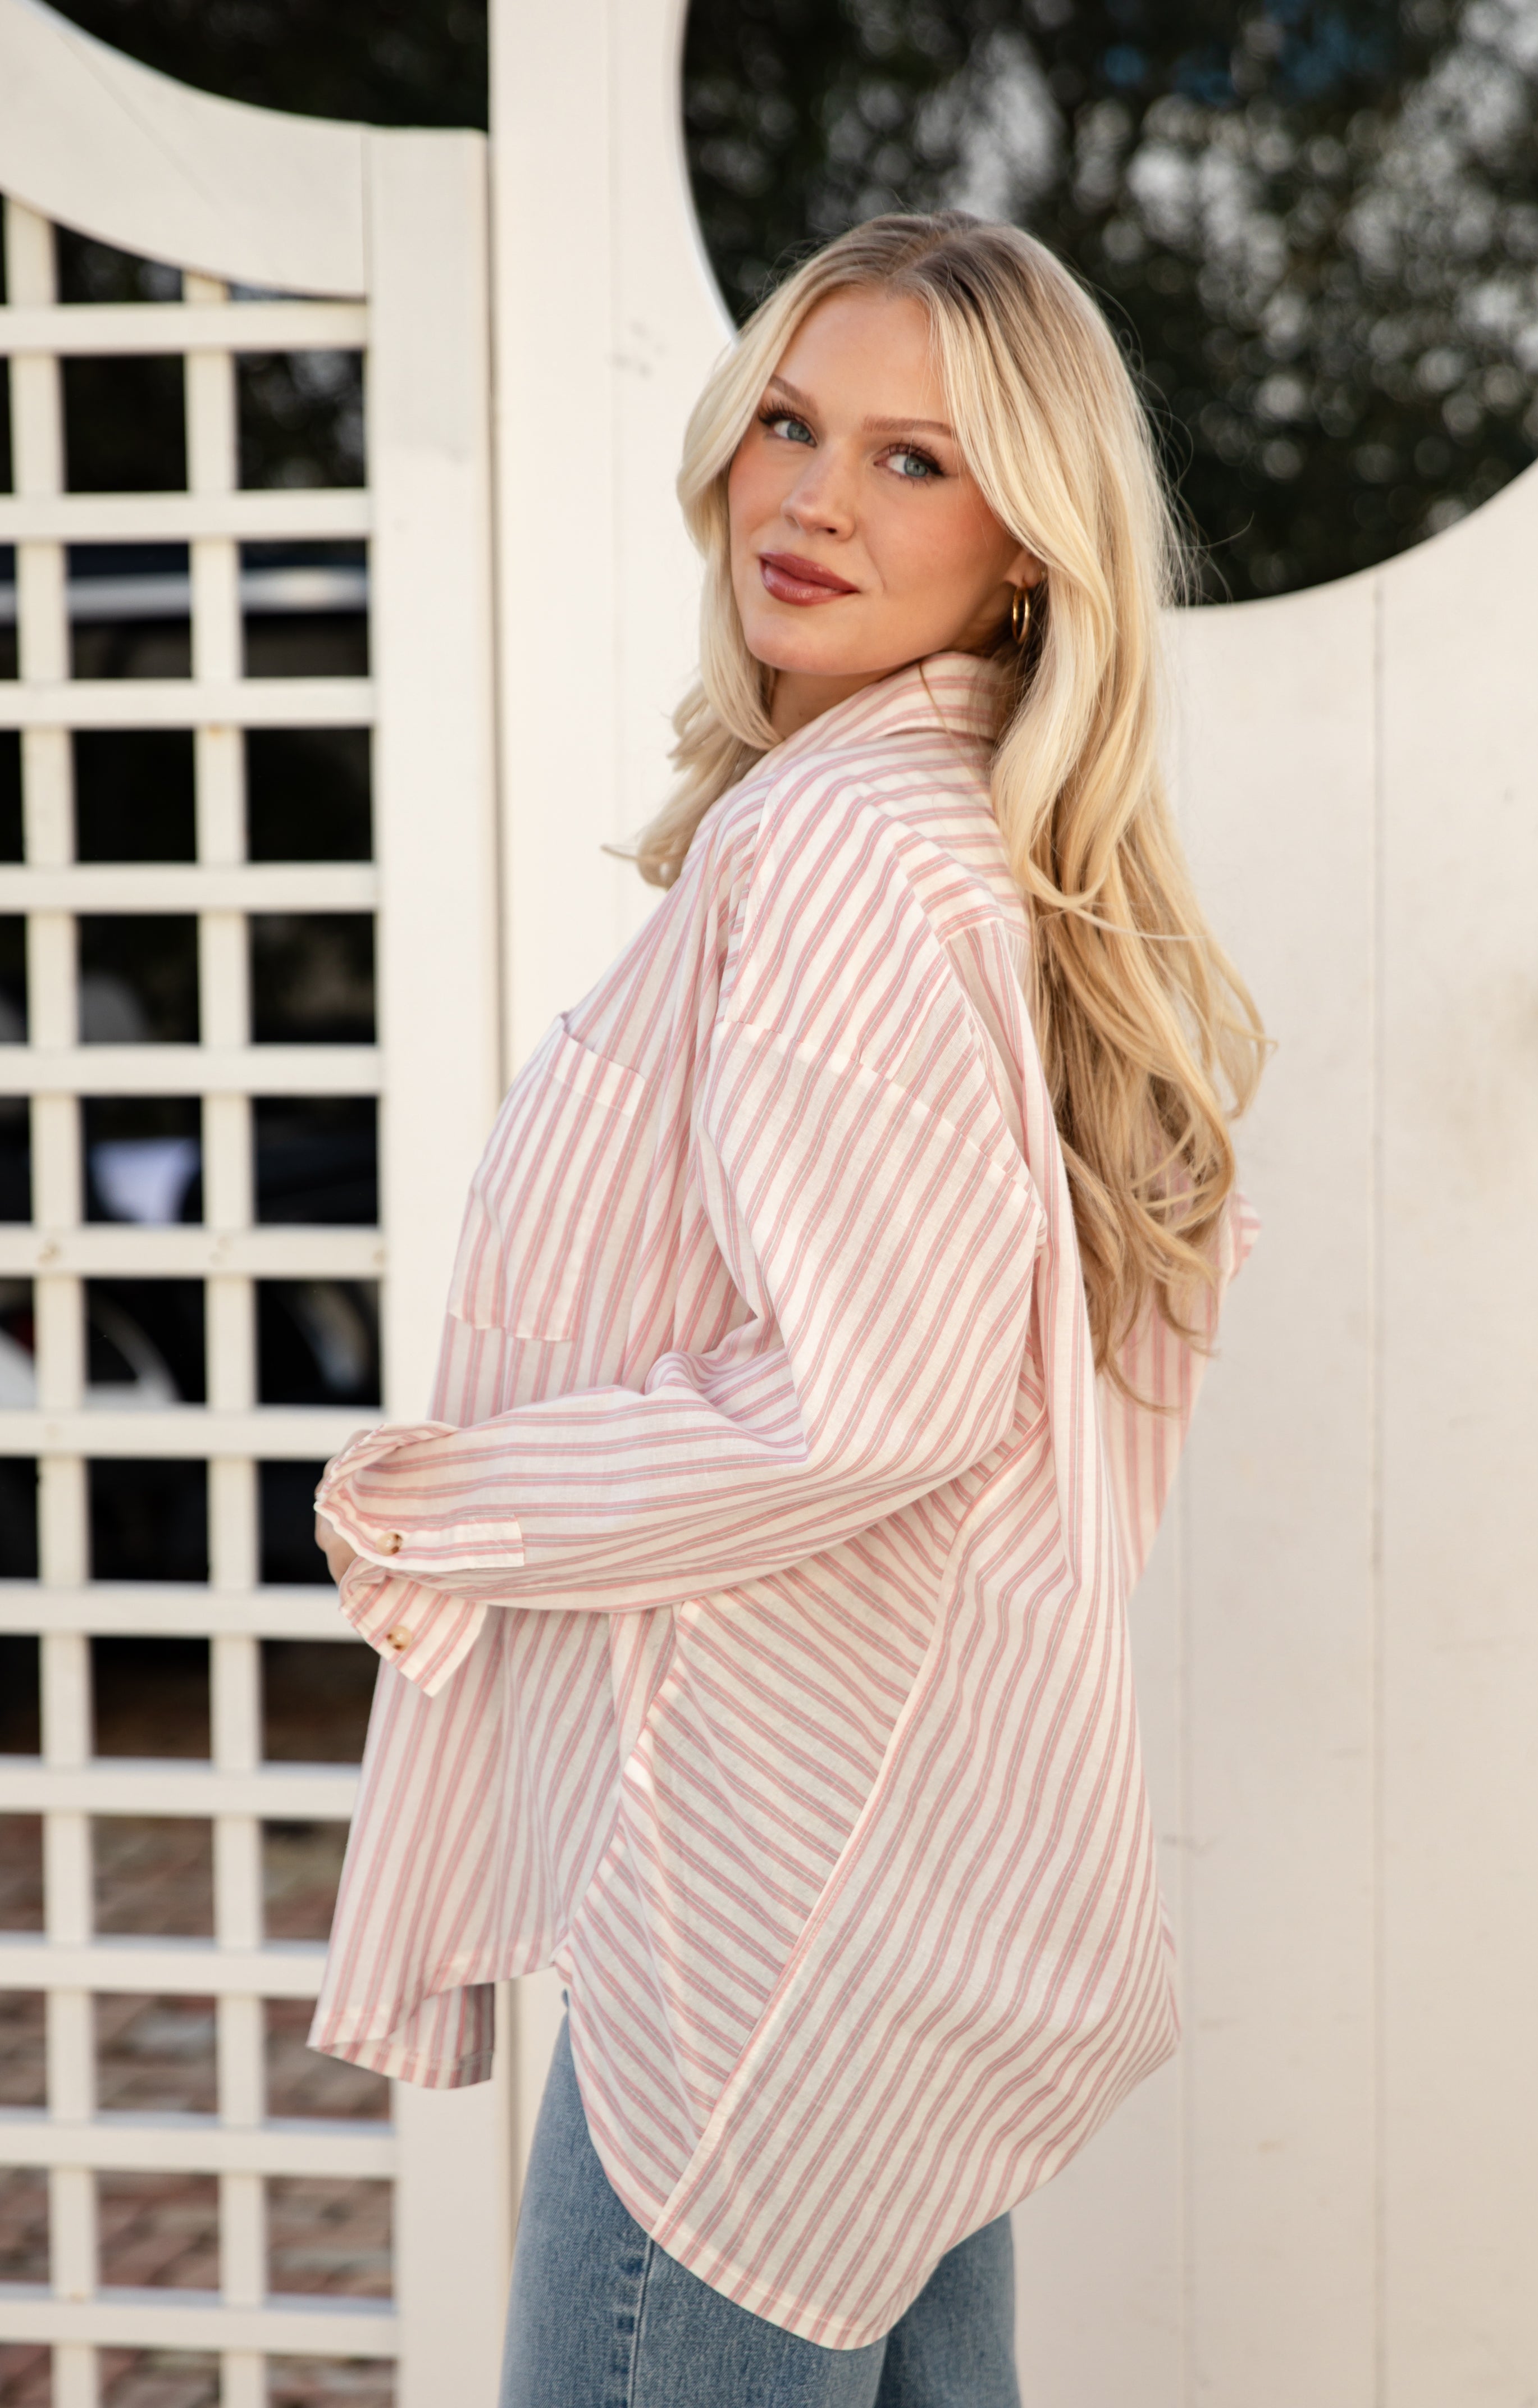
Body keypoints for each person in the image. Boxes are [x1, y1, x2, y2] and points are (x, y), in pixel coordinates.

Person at [311, 211, 1265, 2406]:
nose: (818, 498)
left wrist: (450, 1499)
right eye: (791, 421)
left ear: (1033, 545)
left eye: (919, 461)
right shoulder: (944, 828)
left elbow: (873, 1397)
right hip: (889, 1893)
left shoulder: (844, 849)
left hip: (764, 1908)